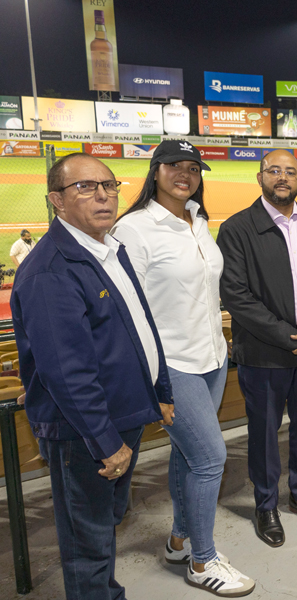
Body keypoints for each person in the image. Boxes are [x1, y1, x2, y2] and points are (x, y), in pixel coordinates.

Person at [10, 153, 174, 599]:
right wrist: (106, 442)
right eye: (85, 187)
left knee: (104, 523)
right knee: (88, 543)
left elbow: (138, 327)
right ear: (56, 201)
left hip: (123, 417)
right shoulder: (51, 269)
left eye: (109, 184)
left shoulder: (107, 247)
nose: (103, 195)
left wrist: (158, 392)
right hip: (88, 433)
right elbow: (67, 371)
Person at [111, 141, 254, 596]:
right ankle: (202, 560)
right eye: (174, 165)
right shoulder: (134, 227)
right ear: (155, 171)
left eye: (193, 168)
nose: (185, 174)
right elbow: (127, 308)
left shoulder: (199, 219)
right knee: (211, 458)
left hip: (211, 356)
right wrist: (151, 378)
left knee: (188, 456)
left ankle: (178, 540)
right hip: (170, 364)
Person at [217, 149, 297, 546]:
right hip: (266, 353)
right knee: (265, 434)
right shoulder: (237, 228)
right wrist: (293, 338)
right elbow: (236, 295)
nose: (282, 177)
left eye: (290, 172)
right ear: (260, 178)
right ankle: (266, 504)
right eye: (274, 171)